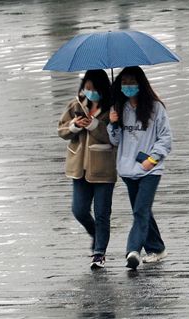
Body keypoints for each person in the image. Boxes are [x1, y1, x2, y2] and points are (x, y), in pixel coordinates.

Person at [108, 66, 172, 269]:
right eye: (124, 83)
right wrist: (113, 124)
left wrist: (152, 159)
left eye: (132, 83)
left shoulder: (155, 108)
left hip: (150, 169)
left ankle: (133, 250)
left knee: (140, 211)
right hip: (128, 169)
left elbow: (166, 138)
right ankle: (158, 248)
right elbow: (115, 140)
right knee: (142, 211)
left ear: (141, 84)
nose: (128, 87)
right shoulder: (119, 108)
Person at [56, 69, 116, 269]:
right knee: (79, 210)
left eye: (93, 89)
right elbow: (61, 130)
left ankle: (99, 253)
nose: (89, 92)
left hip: (103, 169)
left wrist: (94, 125)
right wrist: (74, 125)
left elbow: (113, 138)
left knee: (102, 213)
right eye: (86, 88)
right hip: (79, 169)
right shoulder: (76, 105)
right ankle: (97, 235)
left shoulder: (112, 109)